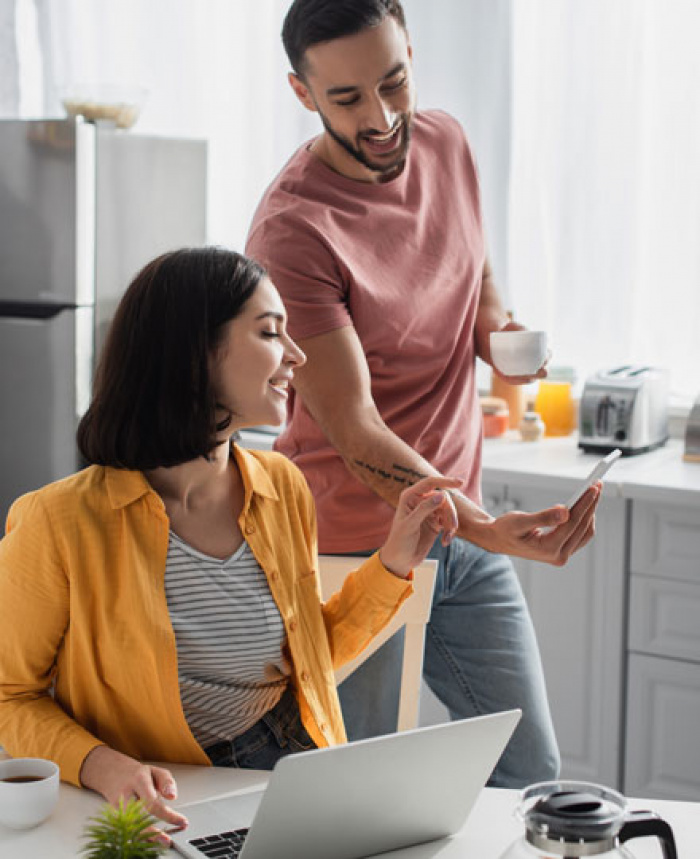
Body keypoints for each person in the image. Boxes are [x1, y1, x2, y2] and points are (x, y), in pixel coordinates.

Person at [245, 0, 601, 787]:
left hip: (462, 529)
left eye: (394, 82)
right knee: (360, 793)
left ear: (410, 49)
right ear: (304, 94)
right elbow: (353, 425)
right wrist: (486, 526)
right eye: (347, 99)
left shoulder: (446, 141)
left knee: (530, 774)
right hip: (351, 552)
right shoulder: (294, 230)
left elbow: (474, 276)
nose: (381, 117)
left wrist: (502, 340)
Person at [0, 247, 460, 838]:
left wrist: (394, 562)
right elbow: (9, 695)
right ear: (194, 351)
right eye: (270, 333)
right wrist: (101, 765)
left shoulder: (280, 485)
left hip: (292, 763)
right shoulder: (58, 521)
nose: (296, 355)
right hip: (168, 790)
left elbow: (306, 658)